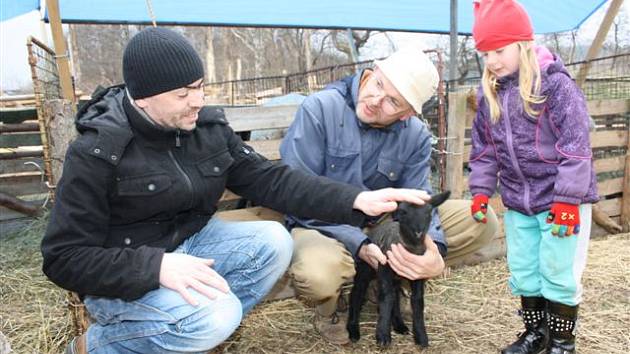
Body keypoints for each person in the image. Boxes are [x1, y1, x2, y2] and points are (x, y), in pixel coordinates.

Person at [40, 27, 433, 354]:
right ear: (143, 96)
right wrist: (155, 267)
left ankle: (189, 333)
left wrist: (354, 200)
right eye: (182, 94)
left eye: (199, 87)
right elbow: (63, 259)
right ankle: (102, 343)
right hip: (126, 273)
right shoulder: (97, 152)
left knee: (273, 241)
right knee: (217, 315)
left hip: (189, 246)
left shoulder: (204, 130)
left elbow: (269, 179)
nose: (198, 101)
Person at [279, 46, 499, 344]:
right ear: (370, 74)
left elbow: (419, 197)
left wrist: (435, 251)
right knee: (319, 273)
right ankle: (332, 306)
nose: (376, 101)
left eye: (393, 101)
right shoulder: (319, 109)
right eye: (379, 85)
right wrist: (361, 244)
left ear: (407, 114)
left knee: (480, 221)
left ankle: (393, 279)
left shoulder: (415, 136)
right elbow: (297, 195)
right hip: (321, 224)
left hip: (384, 224)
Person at [469, 1, 599, 353]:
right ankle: (535, 334)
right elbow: (484, 149)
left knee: (558, 272)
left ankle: (561, 342)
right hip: (518, 202)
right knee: (524, 270)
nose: (492, 60)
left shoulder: (556, 87)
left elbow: (575, 146)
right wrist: (481, 190)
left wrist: (568, 200)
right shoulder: (489, 95)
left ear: (522, 44)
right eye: (485, 53)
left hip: (560, 201)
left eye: (499, 49)